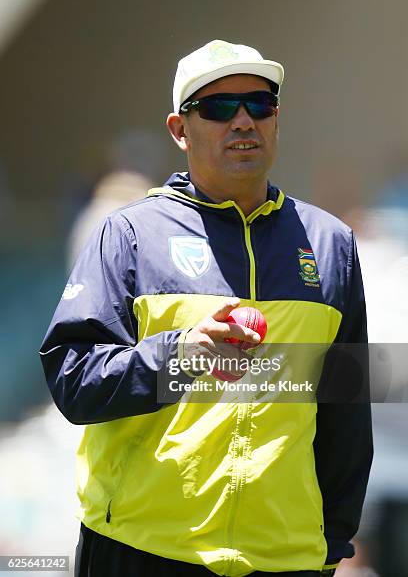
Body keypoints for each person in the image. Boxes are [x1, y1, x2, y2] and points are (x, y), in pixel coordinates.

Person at [40, 39, 373, 576]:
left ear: (276, 120)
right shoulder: (129, 235)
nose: (244, 121)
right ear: (180, 129)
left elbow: (347, 414)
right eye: (219, 108)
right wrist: (178, 358)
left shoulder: (330, 243)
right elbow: (73, 382)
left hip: (285, 560)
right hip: (142, 549)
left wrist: (330, 545)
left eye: (260, 105)